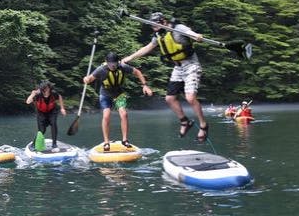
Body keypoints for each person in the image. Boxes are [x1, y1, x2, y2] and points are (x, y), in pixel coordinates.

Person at [122, 12, 209, 142]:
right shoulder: (159, 36)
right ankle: (185, 122)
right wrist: (129, 58)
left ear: (163, 21)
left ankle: (203, 125)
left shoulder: (178, 28)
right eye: (152, 26)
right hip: (178, 68)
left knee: (190, 98)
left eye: (155, 25)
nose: (154, 28)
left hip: (191, 65)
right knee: (169, 98)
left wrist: (197, 36)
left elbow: (191, 33)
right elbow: (147, 48)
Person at [83, 52, 153, 151]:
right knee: (106, 115)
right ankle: (106, 142)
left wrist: (145, 85)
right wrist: (86, 79)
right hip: (105, 94)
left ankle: (125, 140)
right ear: (106, 62)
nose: (113, 66)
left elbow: (137, 72)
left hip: (119, 93)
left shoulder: (123, 66)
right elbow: (90, 79)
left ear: (117, 62)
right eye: (111, 64)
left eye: (114, 64)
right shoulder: (101, 70)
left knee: (124, 114)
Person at [25, 80, 66, 151]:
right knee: (42, 130)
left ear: (50, 88)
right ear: (42, 89)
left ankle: (54, 144)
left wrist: (62, 108)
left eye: (47, 88)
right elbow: (28, 102)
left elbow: (59, 97)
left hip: (52, 112)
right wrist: (32, 94)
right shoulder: (38, 94)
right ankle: (33, 144)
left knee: (53, 124)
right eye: (44, 89)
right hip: (41, 113)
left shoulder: (53, 93)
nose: (46, 90)